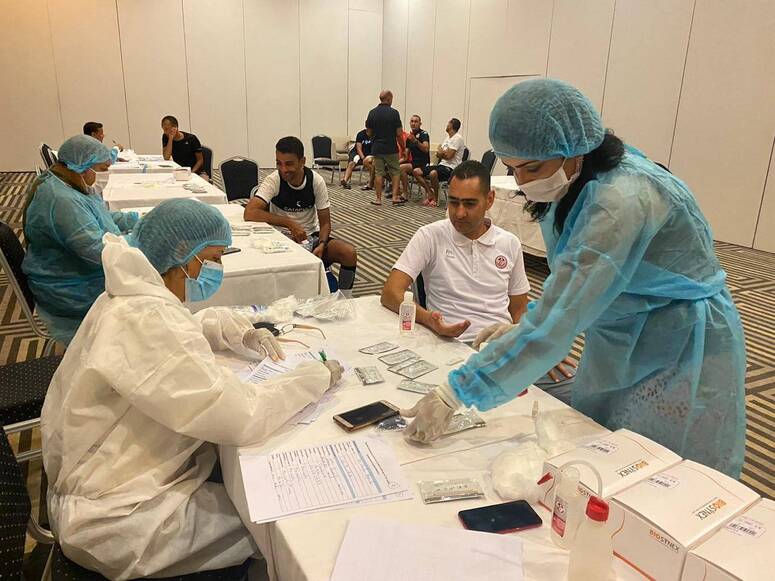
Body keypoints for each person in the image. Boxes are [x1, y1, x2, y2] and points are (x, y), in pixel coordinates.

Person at [402, 79, 746, 480]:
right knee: (606, 455)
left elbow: (565, 311)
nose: (523, 182)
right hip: (621, 333)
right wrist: (526, 326)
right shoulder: (577, 185)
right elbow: (571, 284)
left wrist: (456, 392)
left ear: (574, 148)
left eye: (533, 168)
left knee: (672, 473)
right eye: (513, 169)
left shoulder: (619, 201)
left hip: (682, 341)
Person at [41, 198, 343, 580]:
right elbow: (242, 417)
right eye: (213, 258)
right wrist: (313, 378)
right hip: (120, 522)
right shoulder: (146, 318)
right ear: (183, 255)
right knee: (277, 524)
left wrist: (235, 331)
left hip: (100, 486)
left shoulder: (130, 296)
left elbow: (180, 329)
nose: (218, 269)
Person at [381, 160, 575, 385]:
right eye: (453, 202)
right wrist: (430, 321)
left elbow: (519, 308)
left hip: (503, 345)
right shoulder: (430, 236)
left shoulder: (509, 243)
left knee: (572, 385)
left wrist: (535, 341)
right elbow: (390, 293)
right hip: (453, 347)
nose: (459, 213)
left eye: (470, 204)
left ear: (489, 199)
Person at [22, 135, 139, 344]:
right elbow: (99, 252)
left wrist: (135, 219)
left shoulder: (68, 184)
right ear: (83, 165)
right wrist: (141, 241)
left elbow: (100, 216)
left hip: (77, 274)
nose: (104, 174)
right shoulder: (62, 200)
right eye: (102, 169)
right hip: (72, 290)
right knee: (146, 297)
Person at [244, 136, 358, 291]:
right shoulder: (274, 180)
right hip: (280, 240)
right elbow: (250, 212)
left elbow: (325, 223)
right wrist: (289, 223)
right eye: (279, 163)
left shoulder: (316, 181)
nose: (283, 169)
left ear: (302, 161)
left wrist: (322, 244)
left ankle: (345, 297)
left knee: (349, 253)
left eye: (289, 164)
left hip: (311, 238)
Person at [365, 90, 406, 205]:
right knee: (395, 172)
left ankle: (378, 199)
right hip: (391, 148)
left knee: (379, 173)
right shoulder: (394, 113)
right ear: (389, 99)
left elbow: (368, 132)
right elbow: (399, 133)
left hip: (377, 148)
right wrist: (403, 148)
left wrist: (374, 139)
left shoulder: (372, 113)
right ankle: (395, 197)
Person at [413, 118, 465, 207]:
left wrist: (441, 152)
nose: (446, 125)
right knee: (416, 171)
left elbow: (449, 156)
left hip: (451, 168)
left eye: (448, 123)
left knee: (433, 173)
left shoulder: (458, 138)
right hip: (441, 165)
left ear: (452, 125)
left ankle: (435, 199)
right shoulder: (447, 138)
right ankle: (430, 192)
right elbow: (438, 154)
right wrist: (442, 152)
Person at [399, 114, 430, 196]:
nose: (413, 123)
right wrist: (396, 163)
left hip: (423, 164)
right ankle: (404, 192)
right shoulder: (409, 138)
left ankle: (429, 191)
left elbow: (426, 149)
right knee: (399, 168)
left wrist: (415, 141)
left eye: (416, 122)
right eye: (412, 121)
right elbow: (405, 157)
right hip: (414, 163)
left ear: (420, 123)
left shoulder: (424, 134)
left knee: (404, 168)